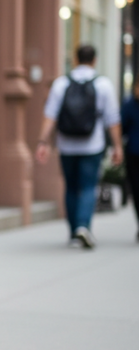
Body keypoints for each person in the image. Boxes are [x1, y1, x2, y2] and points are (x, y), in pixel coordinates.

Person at [36, 44, 123, 248]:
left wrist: (42, 142)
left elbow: (50, 115)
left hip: (67, 145)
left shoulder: (61, 83)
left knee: (71, 187)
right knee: (87, 187)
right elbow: (113, 119)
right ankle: (83, 227)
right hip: (92, 145)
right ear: (94, 60)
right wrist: (117, 146)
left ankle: (75, 231)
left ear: (75, 59)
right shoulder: (103, 84)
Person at [121, 77, 139, 239]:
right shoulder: (129, 105)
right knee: (136, 189)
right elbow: (122, 127)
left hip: (133, 149)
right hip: (134, 154)